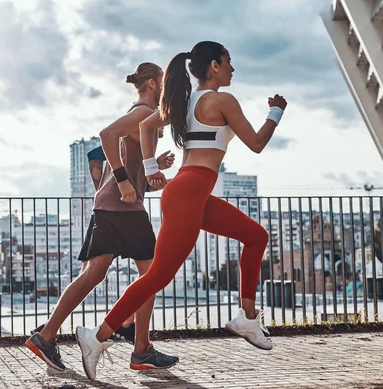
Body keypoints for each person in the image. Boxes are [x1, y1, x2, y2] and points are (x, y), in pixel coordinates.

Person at [75, 41, 288, 380]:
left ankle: (247, 317)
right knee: (158, 275)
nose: (233, 68)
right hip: (189, 191)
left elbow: (146, 127)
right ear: (214, 66)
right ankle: (97, 337)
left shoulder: (185, 103)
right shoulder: (221, 100)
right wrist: (275, 111)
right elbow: (257, 143)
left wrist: (149, 168)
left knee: (255, 236)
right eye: (228, 62)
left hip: (192, 192)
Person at [26, 62, 178, 372]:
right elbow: (106, 134)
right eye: (163, 82)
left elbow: (134, 166)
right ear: (152, 84)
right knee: (152, 275)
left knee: (95, 274)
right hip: (121, 207)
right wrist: (123, 180)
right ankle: (140, 348)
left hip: (115, 206)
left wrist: (153, 165)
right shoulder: (140, 114)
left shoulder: (143, 119)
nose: (166, 89)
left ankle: (47, 336)